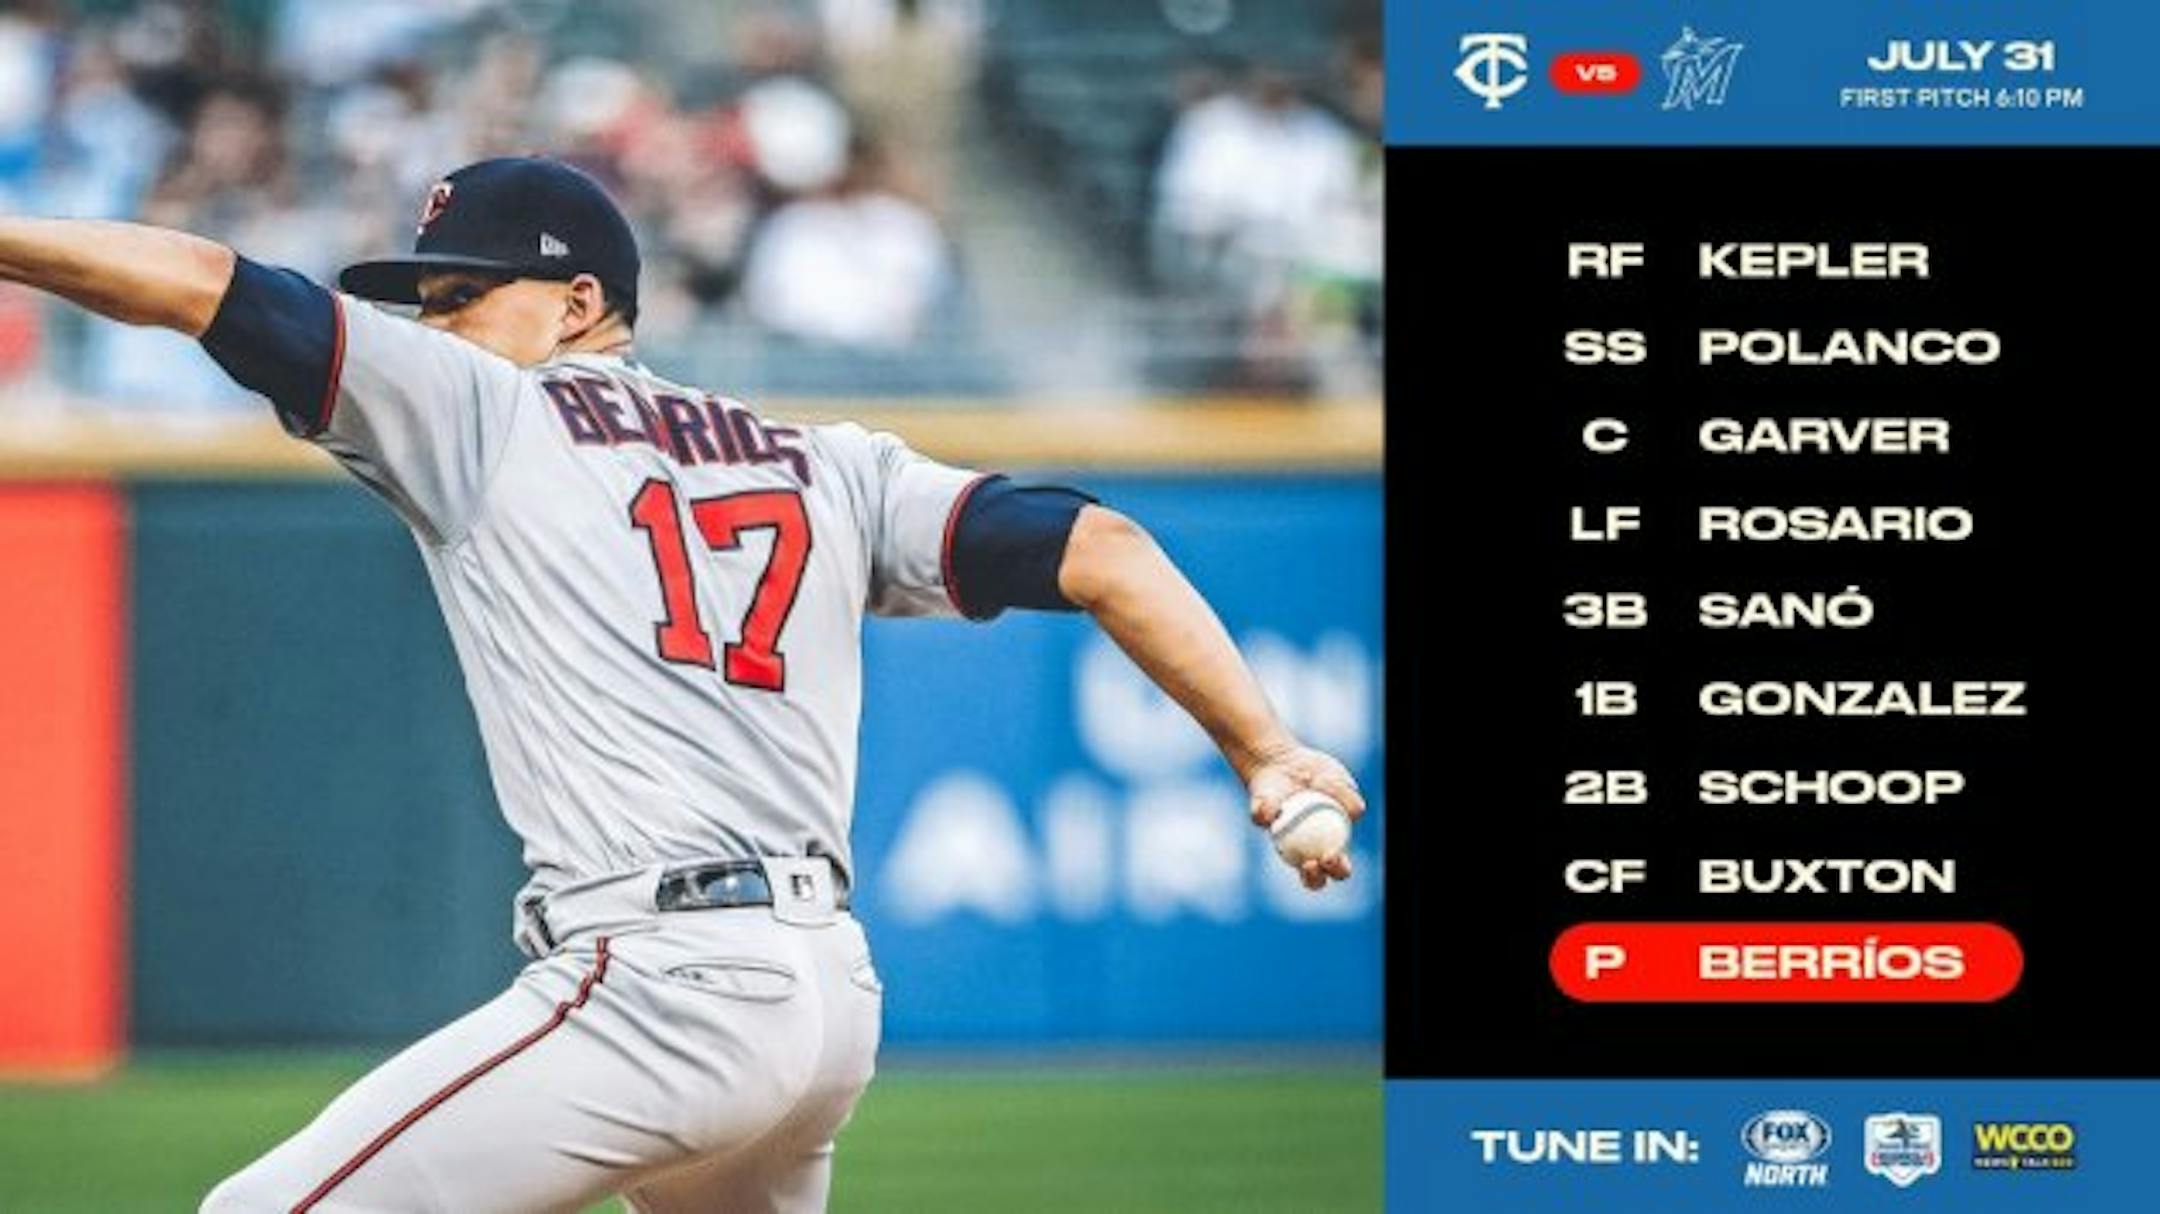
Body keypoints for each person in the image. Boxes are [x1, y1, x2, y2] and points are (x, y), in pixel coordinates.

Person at [0, 155, 1363, 1213]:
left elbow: (199, 279)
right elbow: (1102, 546)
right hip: (825, 1001)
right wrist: (1266, 748)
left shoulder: (483, 409)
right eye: (424, 302)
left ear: (578, 303)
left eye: (462, 294)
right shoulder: (829, 462)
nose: (430, 322)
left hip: (663, 983)